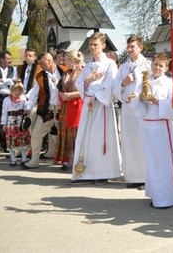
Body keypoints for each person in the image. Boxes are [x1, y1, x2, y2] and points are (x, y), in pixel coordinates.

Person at [128, 53, 173, 209]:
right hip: (147, 125)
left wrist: (155, 101)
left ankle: (168, 197)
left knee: (164, 161)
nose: (157, 68)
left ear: (166, 68)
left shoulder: (170, 84)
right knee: (152, 162)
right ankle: (156, 194)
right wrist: (134, 99)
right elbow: (139, 107)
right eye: (155, 64)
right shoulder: (146, 81)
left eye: (161, 65)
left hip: (162, 126)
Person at [71, 32, 122, 185]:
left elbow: (112, 85)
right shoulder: (88, 64)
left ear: (103, 46)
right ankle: (84, 172)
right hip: (89, 105)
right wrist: (88, 79)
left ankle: (103, 172)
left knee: (100, 139)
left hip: (101, 106)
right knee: (86, 139)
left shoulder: (109, 64)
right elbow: (79, 84)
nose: (93, 48)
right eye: (91, 45)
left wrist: (96, 96)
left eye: (96, 45)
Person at [112, 36, 150, 189]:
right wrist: (124, 83)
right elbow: (115, 88)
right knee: (129, 141)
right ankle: (133, 176)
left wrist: (139, 95)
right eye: (128, 47)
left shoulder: (147, 65)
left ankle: (146, 177)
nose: (129, 49)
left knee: (142, 142)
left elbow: (152, 86)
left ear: (140, 48)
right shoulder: (123, 67)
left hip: (141, 108)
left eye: (132, 46)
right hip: (127, 109)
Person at [22, 52, 65, 169]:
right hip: (47, 111)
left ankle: (67, 161)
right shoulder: (39, 76)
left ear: (50, 61)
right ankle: (34, 160)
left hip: (63, 110)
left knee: (66, 136)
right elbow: (34, 95)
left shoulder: (64, 71)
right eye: (39, 63)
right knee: (36, 134)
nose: (40, 65)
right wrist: (27, 108)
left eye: (42, 63)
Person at [54, 51, 84, 170]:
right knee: (65, 132)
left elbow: (85, 91)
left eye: (66, 59)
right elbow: (59, 88)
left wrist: (70, 95)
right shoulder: (66, 73)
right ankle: (67, 158)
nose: (63, 61)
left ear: (72, 60)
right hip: (66, 105)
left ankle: (77, 159)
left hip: (77, 105)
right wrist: (62, 94)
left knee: (75, 132)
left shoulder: (81, 72)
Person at [0, 51, 17, 152]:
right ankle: (4, 145)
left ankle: (12, 143)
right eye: (8, 58)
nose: (10, 60)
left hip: (10, 97)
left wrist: (2, 80)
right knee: (0, 121)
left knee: (11, 120)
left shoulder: (13, 69)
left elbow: (14, 81)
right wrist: (7, 81)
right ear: (1, 59)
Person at [1, 80, 31, 166]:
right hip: (11, 121)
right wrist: (4, 123)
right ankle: (13, 159)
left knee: (23, 140)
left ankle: (24, 158)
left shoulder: (23, 98)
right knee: (11, 140)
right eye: (15, 91)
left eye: (19, 91)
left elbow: (26, 107)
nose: (17, 93)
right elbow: (4, 112)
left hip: (21, 121)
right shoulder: (6, 100)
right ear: (11, 91)